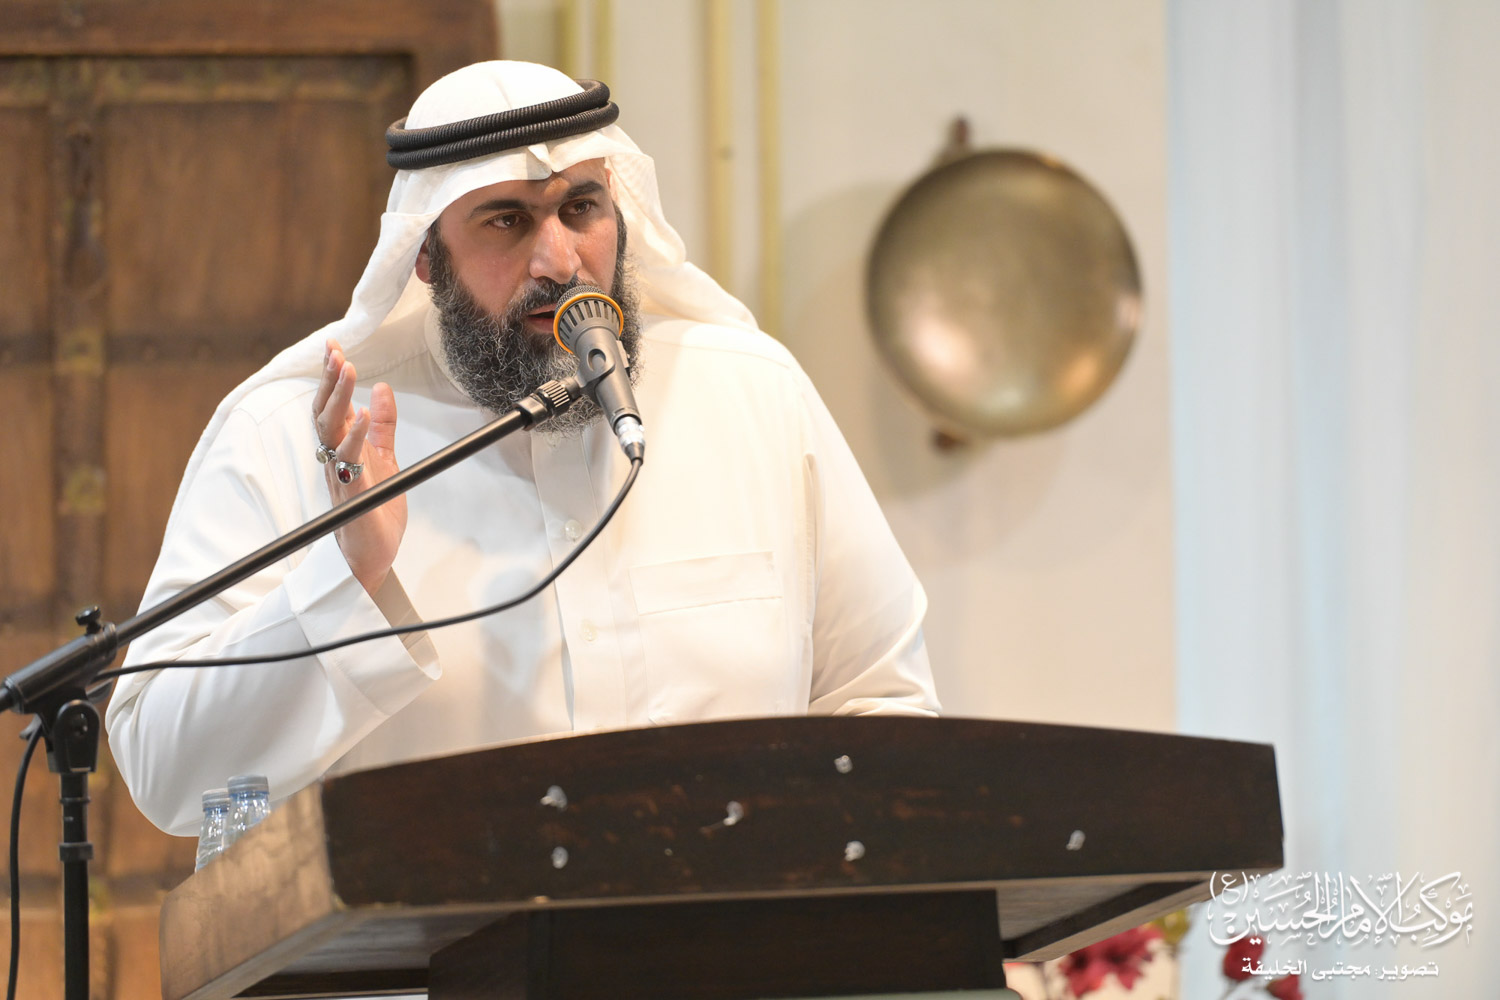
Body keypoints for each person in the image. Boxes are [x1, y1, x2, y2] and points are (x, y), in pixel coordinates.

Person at [104, 61, 939, 838]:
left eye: (581, 209)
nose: (560, 260)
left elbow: (879, 702)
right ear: (424, 254)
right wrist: (345, 577)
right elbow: (173, 782)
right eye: (506, 220)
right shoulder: (295, 435)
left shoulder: (752, 396)